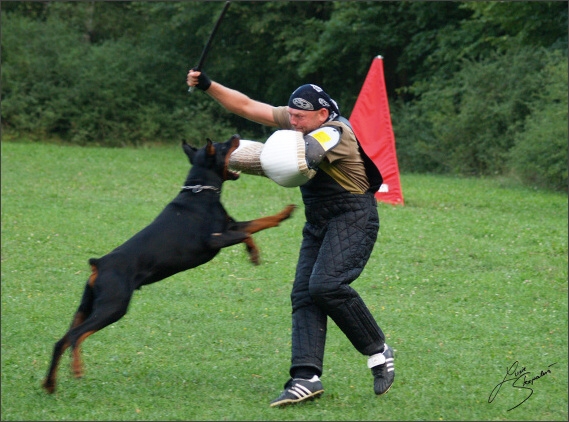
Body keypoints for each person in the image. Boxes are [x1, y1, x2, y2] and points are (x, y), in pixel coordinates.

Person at [187, 70, 395, 407]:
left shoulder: (334, 131)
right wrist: (208, 85)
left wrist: (257, 158)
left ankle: (378, 351)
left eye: (300, 117)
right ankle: (305, 378)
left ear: (323, 115)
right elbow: (247, 106)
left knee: (325, 286)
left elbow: (304, 155)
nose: (293, 121)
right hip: (319, 220)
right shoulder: (302, 120)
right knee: (303, 293)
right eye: (291, 115)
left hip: (353, 216)